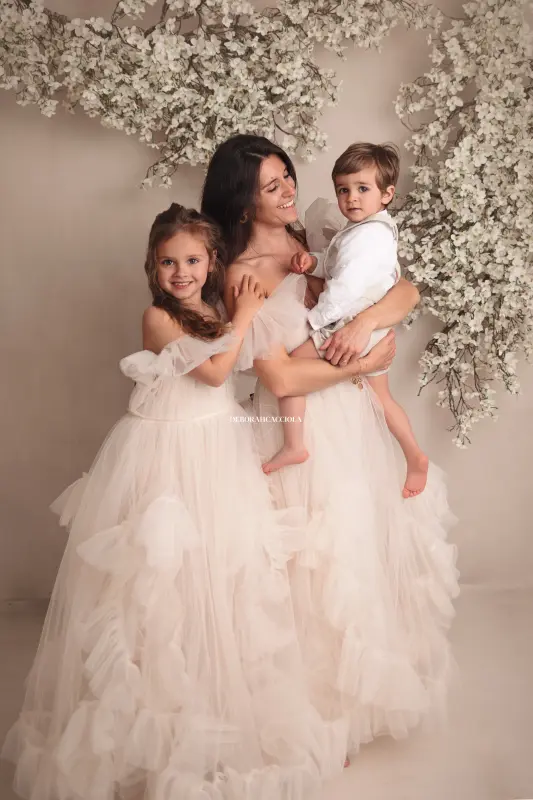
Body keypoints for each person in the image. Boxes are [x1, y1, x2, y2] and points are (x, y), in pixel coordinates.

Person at [3, 204, 362, 800]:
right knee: (157, 581)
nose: (181, 272)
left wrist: (268, 303)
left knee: (224, 575)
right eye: (169, 262)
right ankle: (152, 725)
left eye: (193, 260)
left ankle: (220, 709)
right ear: (153, 266)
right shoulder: (158, 318)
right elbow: (218, 372)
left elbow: (243, 360)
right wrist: (245, 313)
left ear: (211, 262)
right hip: (164, 455)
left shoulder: (210, 310)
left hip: (216, 450)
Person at [202, 134, 459, 762]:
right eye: (272, 185)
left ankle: (353, 700)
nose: (291, 188)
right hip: (300, 424)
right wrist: (363, 360)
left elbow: (402, 288)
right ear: (242, 205)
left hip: (347, 422)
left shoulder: (311, 236)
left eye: (287, 174)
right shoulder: (240, 274)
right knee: (305, 561)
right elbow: (283, 378)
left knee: (349, 554)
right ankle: (309, 710)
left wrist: (369, 324)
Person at [262, 142, 429, 499]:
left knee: (292, 373)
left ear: (387, 194)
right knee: (382, 398)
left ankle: (294, 444)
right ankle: (415, 454)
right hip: (368, 325)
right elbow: (341, 265)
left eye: (362, 189)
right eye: (343, 190)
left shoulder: (367, 236)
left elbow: (345, 287)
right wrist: (314, 263)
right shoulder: (367, 228)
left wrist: (314, 320)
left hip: (346, 324)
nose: (351, 198)